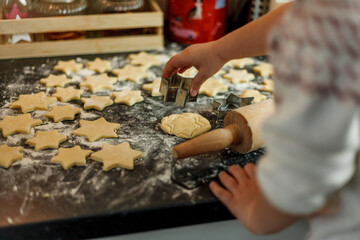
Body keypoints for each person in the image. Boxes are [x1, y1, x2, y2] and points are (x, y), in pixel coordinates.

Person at [162, 1, 360, 239]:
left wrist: (258, 213)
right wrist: (219, 50)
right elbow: (298, 17)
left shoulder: (334, 28)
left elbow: (312, 162)